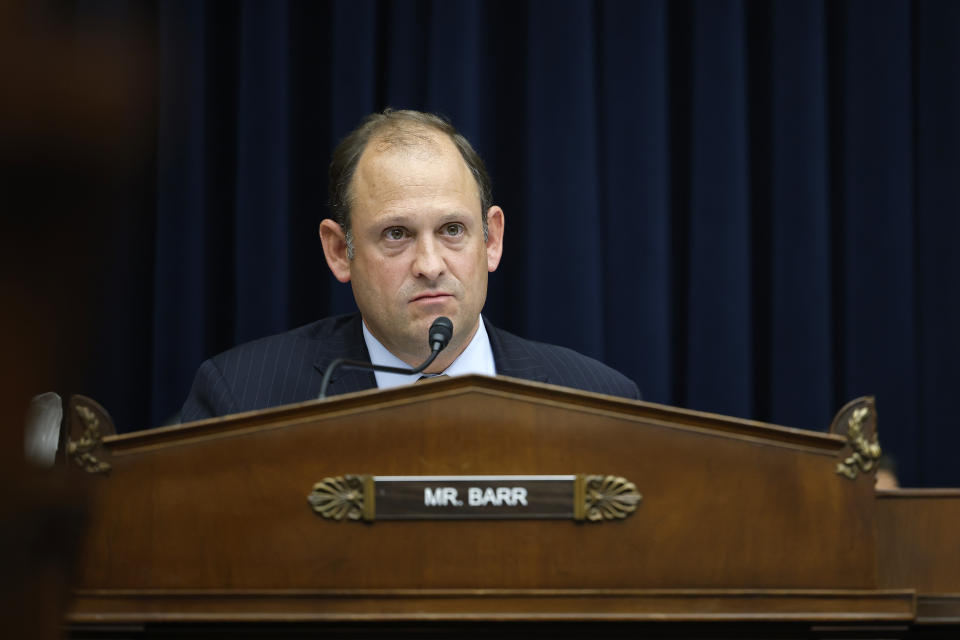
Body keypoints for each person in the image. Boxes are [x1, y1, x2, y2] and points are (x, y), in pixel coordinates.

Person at [181, 109, 639, 421]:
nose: (430, 264)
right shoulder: (242, 398)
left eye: (452, 230)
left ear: (492, 239)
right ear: (340, 251)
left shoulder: (599, 404)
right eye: (396, 234)